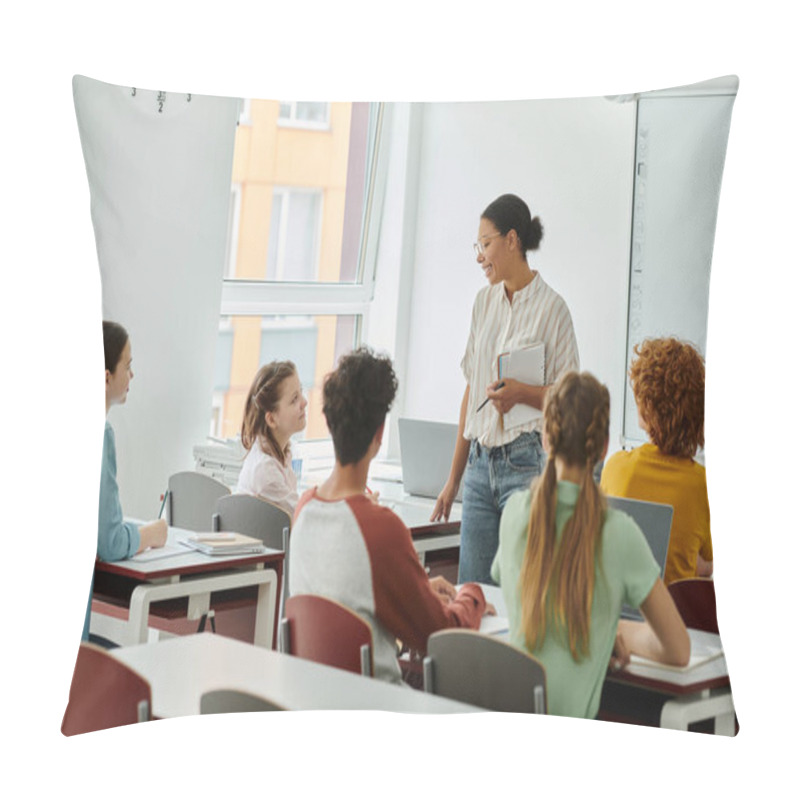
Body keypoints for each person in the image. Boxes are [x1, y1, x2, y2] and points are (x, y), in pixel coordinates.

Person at [491, 371, 690, 719]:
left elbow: (516, 593)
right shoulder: (619, 533)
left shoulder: (514, 515)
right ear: (602, 447)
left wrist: (597, 624)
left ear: (545, 438)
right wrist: (608, 626)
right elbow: (677, 649)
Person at [289, 347, 491, 684]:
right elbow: (439, 636)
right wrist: (472, 594)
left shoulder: (304, 510)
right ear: (380, 434)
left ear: (329, 421)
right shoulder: (379, 528)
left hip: (318, 702)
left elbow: (347, 593)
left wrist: (421, 588)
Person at [432, 193, 580, 584]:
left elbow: (572, 402)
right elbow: (472, 392)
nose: (479, 256)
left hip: (527, 466)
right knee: (472, 593)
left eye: (485, 244)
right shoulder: (483, 303)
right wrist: (453, 480)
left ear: (512, 240)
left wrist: (524, 394)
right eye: (477, 247)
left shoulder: (553, 309)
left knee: (521, 592)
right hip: (480, 469)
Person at [601, 337, 712, 584]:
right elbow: (704, 564)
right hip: (676, 616)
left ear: (644, 408)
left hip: (622, 612)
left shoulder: (617, 467)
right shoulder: (703, 485)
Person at [82, 321, 167, 642]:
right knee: (133, 668)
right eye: (128, 366)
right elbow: (111, 543)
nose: (132, 376)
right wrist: (150, 533)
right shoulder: (99, 435)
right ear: (106, 377)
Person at [235, 361, 308, 515]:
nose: (304, 402)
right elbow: (303, 517)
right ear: (272, 420)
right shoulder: (265, 470)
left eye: (301, 392)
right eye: (294, 399)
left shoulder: (279, 455)